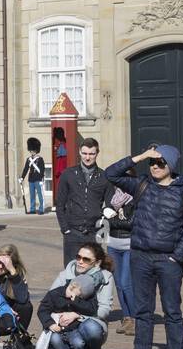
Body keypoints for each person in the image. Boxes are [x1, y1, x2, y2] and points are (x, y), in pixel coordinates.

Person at [105, 144, 183, 349]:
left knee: (172, 311)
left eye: (160, 162)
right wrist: (141, 156)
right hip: (140, 256)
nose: (155, 166)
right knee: (143, 310)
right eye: (153, 163)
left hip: (168, 260)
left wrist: (176, 256)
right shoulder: (141, 184)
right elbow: (111, 173)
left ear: (171, 165)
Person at [37, 273, 108, 349]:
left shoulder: (85, 297)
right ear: (71, 287)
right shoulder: (54, 294)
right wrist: (50, 324)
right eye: (78, 296)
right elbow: (42, 310)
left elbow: (91, 310)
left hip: (74, 329)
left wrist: (77, 303)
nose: (79, 299)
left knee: (78, 342)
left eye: (82, 298)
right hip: (57, 329)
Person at [55, 137, 109, 265]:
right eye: (84, 153)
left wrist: (103, 232)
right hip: (72, 232)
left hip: (94, 233)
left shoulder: (104, 177)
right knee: (71, 272)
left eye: (91, 154)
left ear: (97, 153)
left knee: (93, 273)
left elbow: (110, 205)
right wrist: (65, 229)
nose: (88, 157)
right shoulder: (68, 174)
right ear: (79, 152)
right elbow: (60, 204)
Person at [102, 187, 136, 335]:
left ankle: (136, 318)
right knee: (118, 285)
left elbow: (132, 223)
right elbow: (103, 219)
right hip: (113, 246)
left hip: (129, 246)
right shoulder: (113, 198)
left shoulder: (135, 199)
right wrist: (108, 216)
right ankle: (126, 317)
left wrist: (112, 218)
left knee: (125, 283)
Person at [0, 243, 33, 330]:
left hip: (6, 316)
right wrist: (3, 308)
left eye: (5, 265)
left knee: (26, 307)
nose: (0, 267)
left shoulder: (14, 273)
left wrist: (13, 272)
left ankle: (20, 339)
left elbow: (23, 299)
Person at [20, 138, 46, 215]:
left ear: (36, 150)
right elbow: (26, 169)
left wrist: (41, 178)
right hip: (31, 179)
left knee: (40, 195)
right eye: (31, 150)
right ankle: (32, 209)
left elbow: (42, 169)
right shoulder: (29, 159)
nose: (31, 152)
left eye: (33, 150)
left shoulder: (40, 159)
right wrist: (22, 177)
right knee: (32, 195)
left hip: (38, 179)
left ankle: (41, 209)